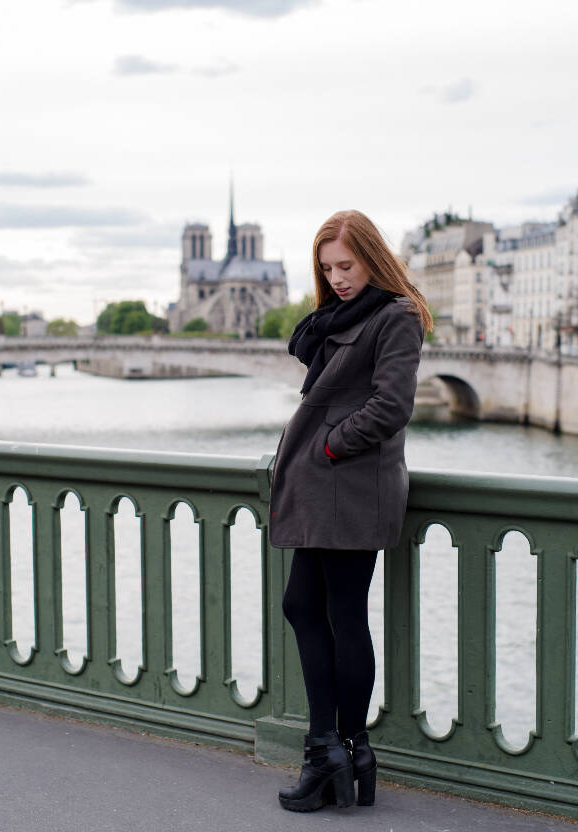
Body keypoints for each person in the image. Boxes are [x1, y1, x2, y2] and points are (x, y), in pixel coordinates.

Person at [269, 209, 433, 812]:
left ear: (372, 258)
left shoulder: (396, 316)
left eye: (347, 265)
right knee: (308, 606)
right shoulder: (344, 316)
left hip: (349, 484)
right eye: (327, 268)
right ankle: (341, 750)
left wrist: (330, 444)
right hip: (328, 485)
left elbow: (393, 406)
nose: (337, 278)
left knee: (339, 611)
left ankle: (332, 751)